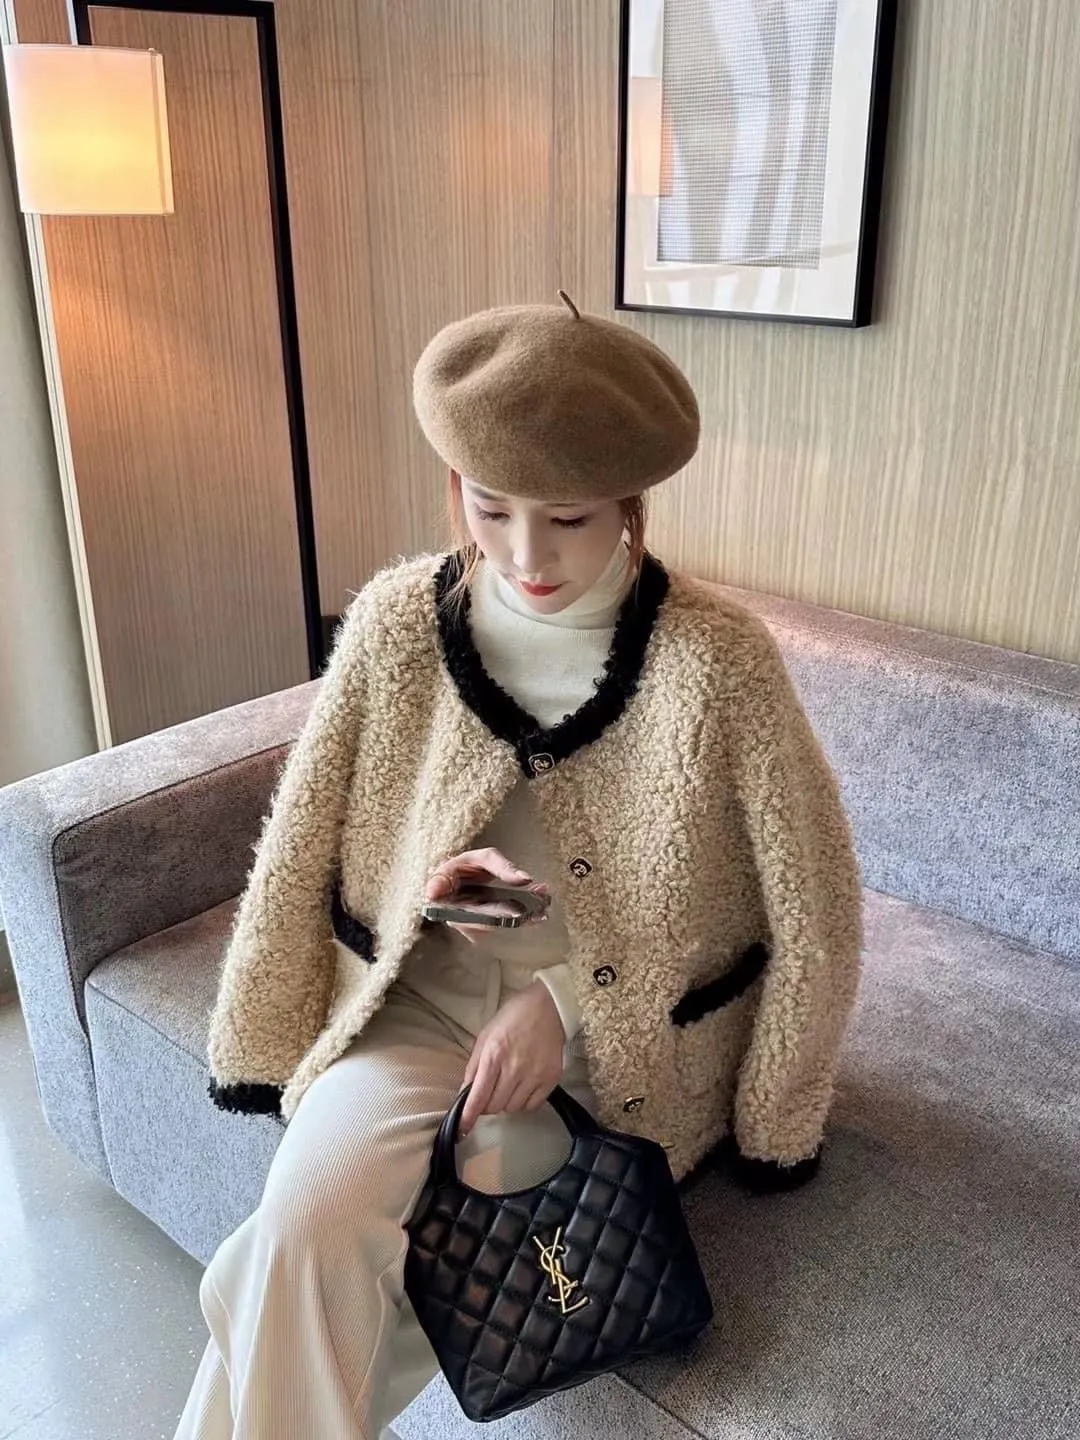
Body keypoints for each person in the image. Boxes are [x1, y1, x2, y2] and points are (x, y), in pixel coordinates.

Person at [174, 293, 863, 1440]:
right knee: (298, 1230)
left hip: (615, 1051)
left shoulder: (717, 661)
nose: (529, 555)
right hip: (415, 1014)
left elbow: (810, 898)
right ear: (456, 489)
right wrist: (451, 895)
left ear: (630, 505)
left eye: (571, 520)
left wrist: (569, 1005)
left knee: (453, 1230)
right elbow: (307, 840)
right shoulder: (398, 623)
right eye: (491, 510)